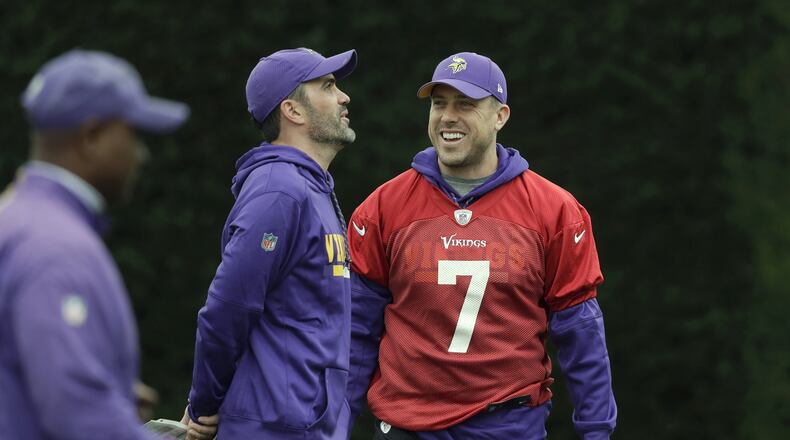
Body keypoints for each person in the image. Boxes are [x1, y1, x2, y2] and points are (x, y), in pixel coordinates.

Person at [346, 52, 618, 439]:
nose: (448, 117)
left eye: (466, 105)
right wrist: (332, 425)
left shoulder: (555, 210)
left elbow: (580, 330)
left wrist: (597, 432)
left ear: (500, 116)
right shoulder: (383, 207)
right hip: (407, 426)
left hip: (506, 426)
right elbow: (357, 330)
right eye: (439, 104)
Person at [0, 49, 189, 439]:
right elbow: (78, 415)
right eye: (133, 134)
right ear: (91, 137)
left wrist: (111, 392)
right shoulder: (56, 247)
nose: (142, 154)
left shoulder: (16, 217)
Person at [183, 47, 357, 440]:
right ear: (292, 111)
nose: (344, 96)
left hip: (303, 424)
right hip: (273, 426)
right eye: (328, 86)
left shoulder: (308, 188)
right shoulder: (279, 191)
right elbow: (228, 307)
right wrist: (203, 405)